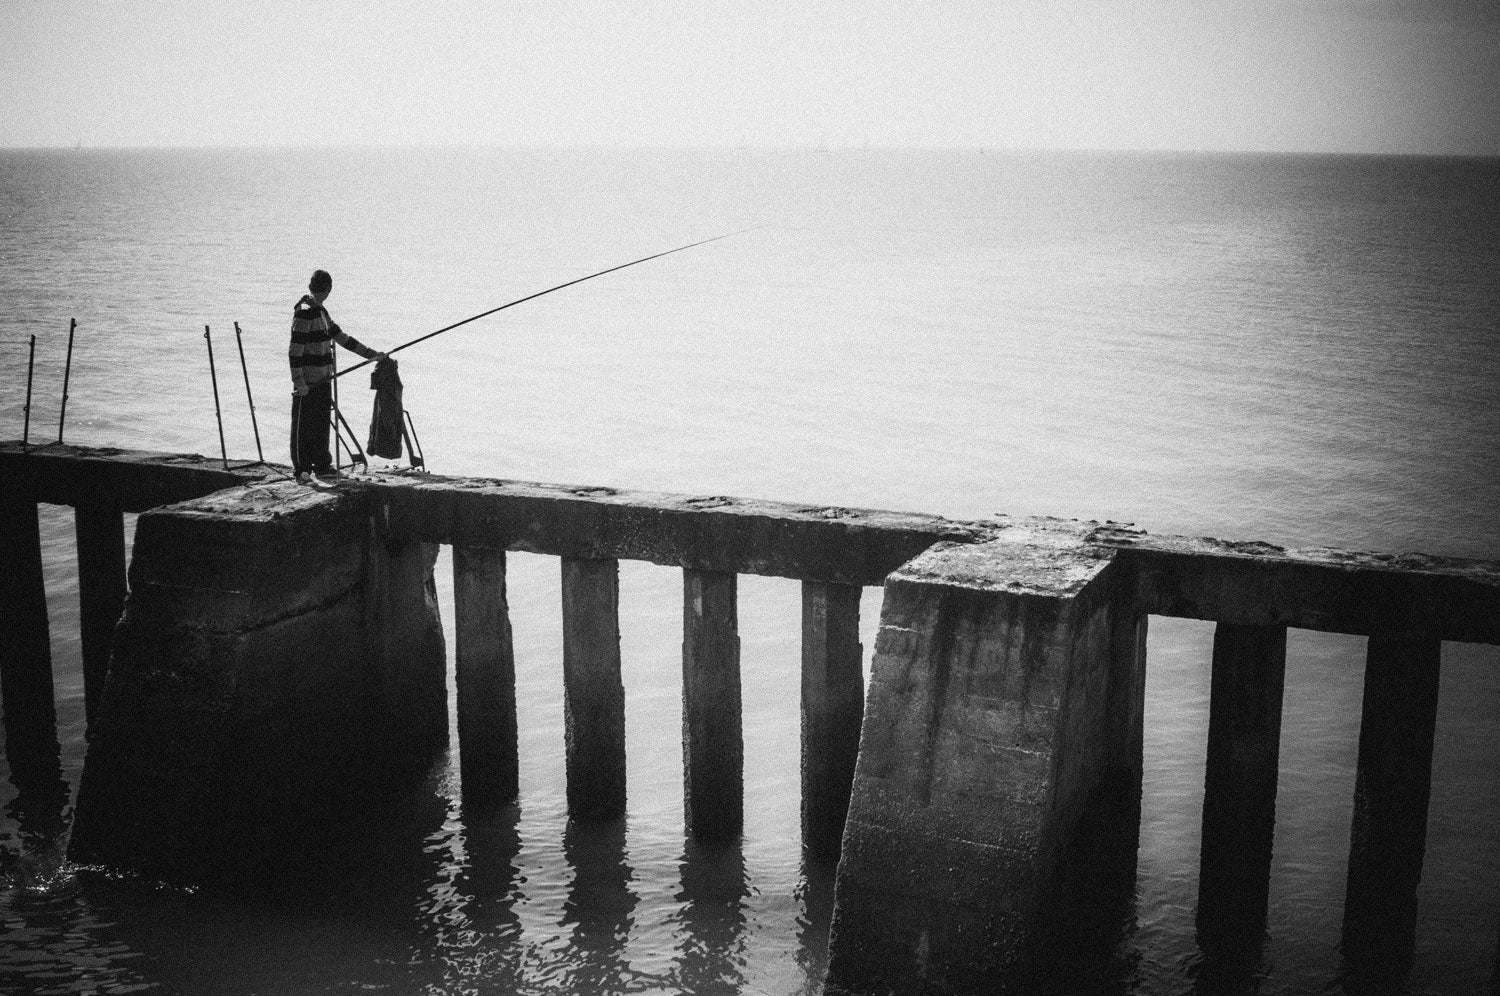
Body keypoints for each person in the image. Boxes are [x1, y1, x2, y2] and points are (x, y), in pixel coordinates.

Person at [288, 269, 384, 482]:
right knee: (303, 427)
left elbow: (341, 338)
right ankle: (301, 470)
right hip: (308, 383)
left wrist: (371, 355)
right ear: (328, 289)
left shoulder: (321, 311)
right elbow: (295, 350)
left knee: (322, 424)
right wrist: (299, 381)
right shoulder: (304, 312)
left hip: (324, 378)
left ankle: (322, 465)